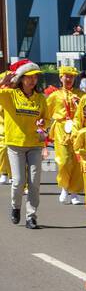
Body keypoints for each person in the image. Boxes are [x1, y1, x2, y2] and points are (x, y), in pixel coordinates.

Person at [0, 59, 49, 228]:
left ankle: (31, 216)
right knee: (19, 181)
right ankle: (16, 206)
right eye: (29, 77)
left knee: (34, 182)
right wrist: (2, 83)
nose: (32, 80)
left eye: (35, 77)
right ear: (21, 79)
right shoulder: (9, 95)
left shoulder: (40, 98)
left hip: (35, 144)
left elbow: (46, 119)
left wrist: (43, 123)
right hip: (15, 144)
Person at [44, 66, 84, 205]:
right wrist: (42, 129)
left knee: (78, 161)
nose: (68, 79)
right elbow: (45, 113)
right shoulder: (55, 96)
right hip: (62, 129)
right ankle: (64, 187)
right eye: (66, 76)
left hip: (78, 130)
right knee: (64, 161)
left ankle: (75, 192)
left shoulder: (81, 94)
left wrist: (79, 105)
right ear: (60, 78)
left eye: (71, 77)